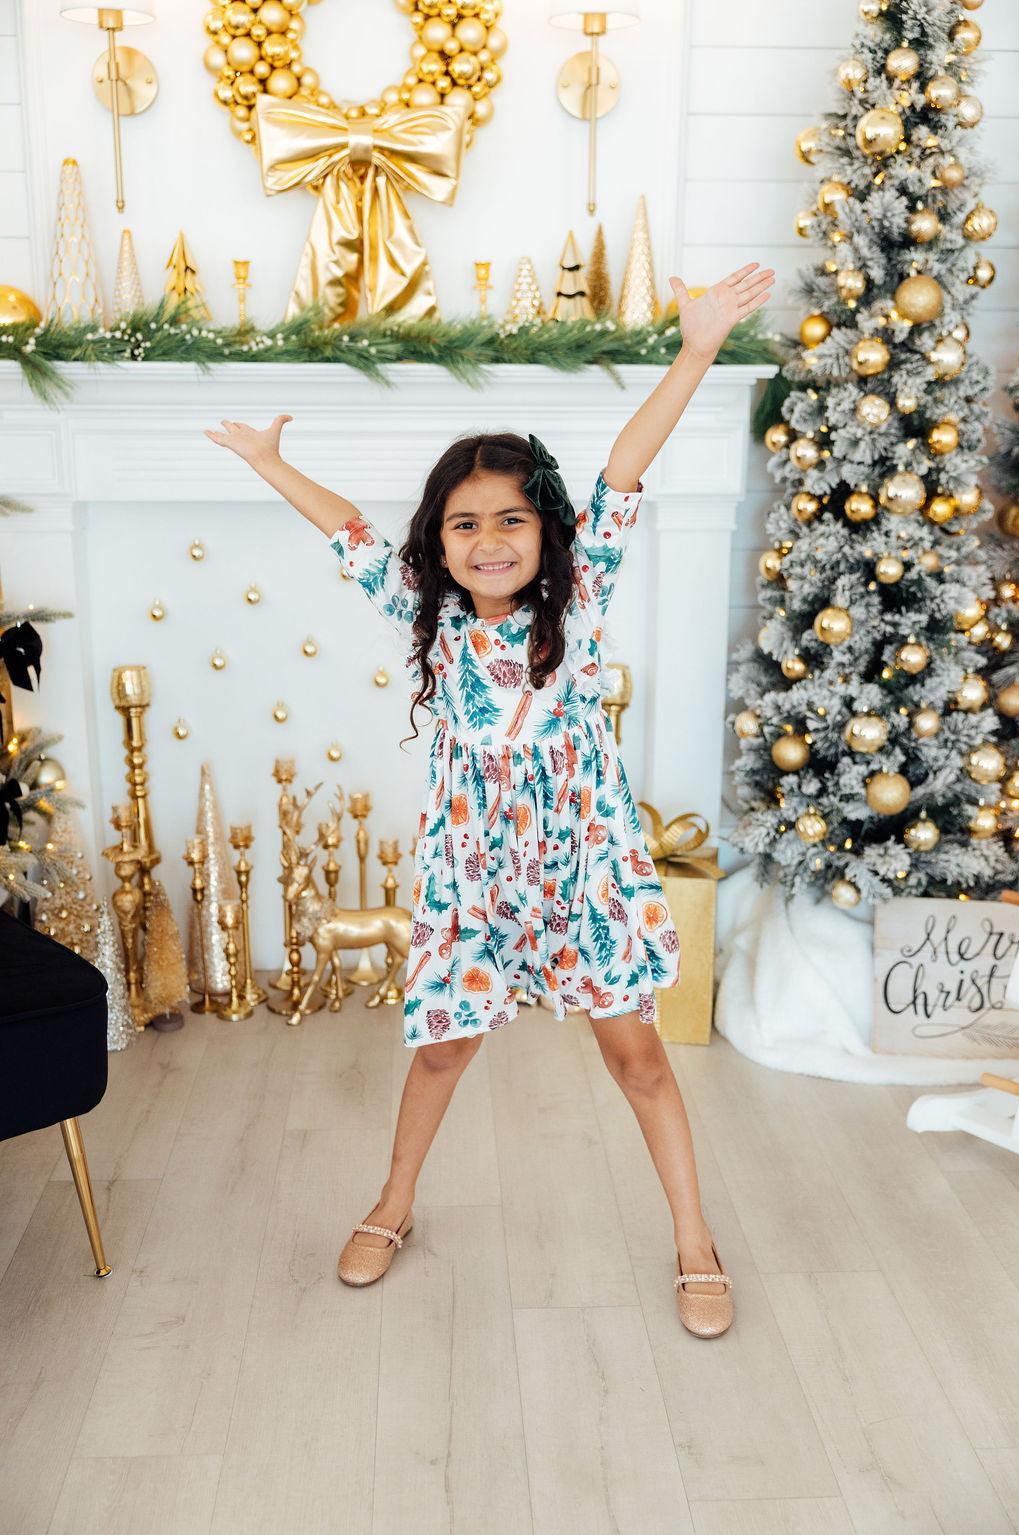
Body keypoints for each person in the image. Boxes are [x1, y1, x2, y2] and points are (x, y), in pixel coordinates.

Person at [204, 260, 774, 1338]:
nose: (490, 539)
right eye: (464, 524)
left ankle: (695, 1237)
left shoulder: (581, 598)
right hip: (474, 868)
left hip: (583, 862)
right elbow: (350, 532)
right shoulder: (425, 613)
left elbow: (625, 469)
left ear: (547, 530)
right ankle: (393, 1200)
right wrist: (274, 463)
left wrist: (695, 351)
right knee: (443, 1046)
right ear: (440, 541)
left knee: (636, 1056)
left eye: (512, 518)